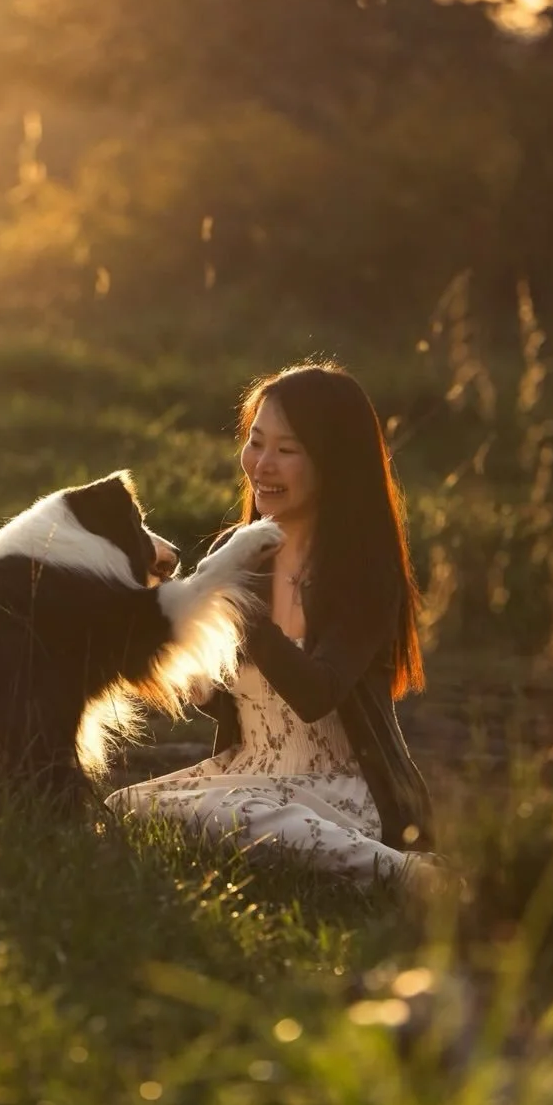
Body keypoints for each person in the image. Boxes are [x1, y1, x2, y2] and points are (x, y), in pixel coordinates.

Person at [106, 361, 441, 891]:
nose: (261, 465)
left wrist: (240, 611)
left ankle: (399, 872)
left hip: (343, 790)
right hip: (248, 773)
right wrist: (173, 632)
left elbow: (316, 694)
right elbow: (219, 697)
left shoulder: (364, 575)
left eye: (286, 451)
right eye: (255, 443)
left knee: (246, 812)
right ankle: (316, 858)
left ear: (334, 464)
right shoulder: (233, 553)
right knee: (124, 807)